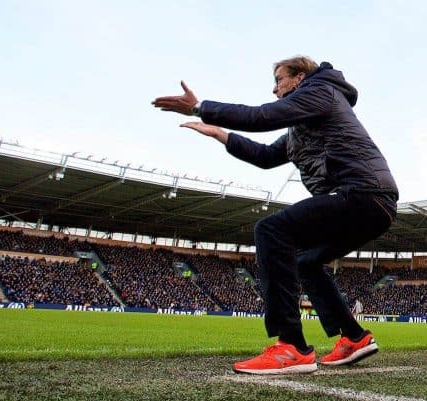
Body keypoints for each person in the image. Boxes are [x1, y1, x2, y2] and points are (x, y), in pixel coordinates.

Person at [152, 56, 399, 375]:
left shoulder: (321, 91)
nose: (274, 88)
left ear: (299, 78)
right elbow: (267, 156)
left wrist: (201, 107)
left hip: (362, 194)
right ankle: (354, 337)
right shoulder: (302, 126)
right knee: (305, 262)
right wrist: (220, 134)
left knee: (271, 231)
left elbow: (262, 116)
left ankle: (292, 346)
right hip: (370, 203)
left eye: (279, 79)